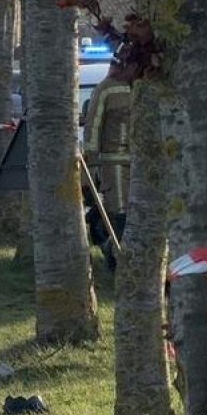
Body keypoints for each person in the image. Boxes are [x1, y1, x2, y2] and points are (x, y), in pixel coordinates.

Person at [83, 56, 138, 266]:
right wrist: (92, 162)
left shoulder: (143, 85)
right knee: (120, 211)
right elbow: (93, 126)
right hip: (113, 162)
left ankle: (120, 252)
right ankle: (116, 257)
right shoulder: (106, 89)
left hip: (140, 164)